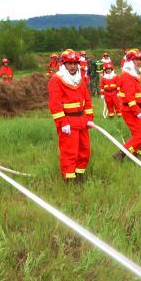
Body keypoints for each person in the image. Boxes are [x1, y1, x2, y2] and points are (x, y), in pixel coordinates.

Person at [47, 48, 93, 181]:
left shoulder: (79, 79)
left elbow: (87, 100)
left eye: (75, 63)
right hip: (68, 123)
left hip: (82, 121)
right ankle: (69, 179)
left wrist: (89, 118)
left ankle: (79, 175)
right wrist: (63, 122)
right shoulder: (56, 80)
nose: (73, 66)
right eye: (69, 63)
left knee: (84, 150)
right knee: (69, 152)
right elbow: (55, 104)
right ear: (63, 64)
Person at [114, 48, 141, 159]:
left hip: (134, 109)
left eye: (140, 59)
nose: (139, 62)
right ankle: (120, 155)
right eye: (136, 59)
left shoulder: (132, 74)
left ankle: (136, 156)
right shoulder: (127, 76)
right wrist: (138, 111)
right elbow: (130, 98)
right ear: (129, 61)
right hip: (130, 111)